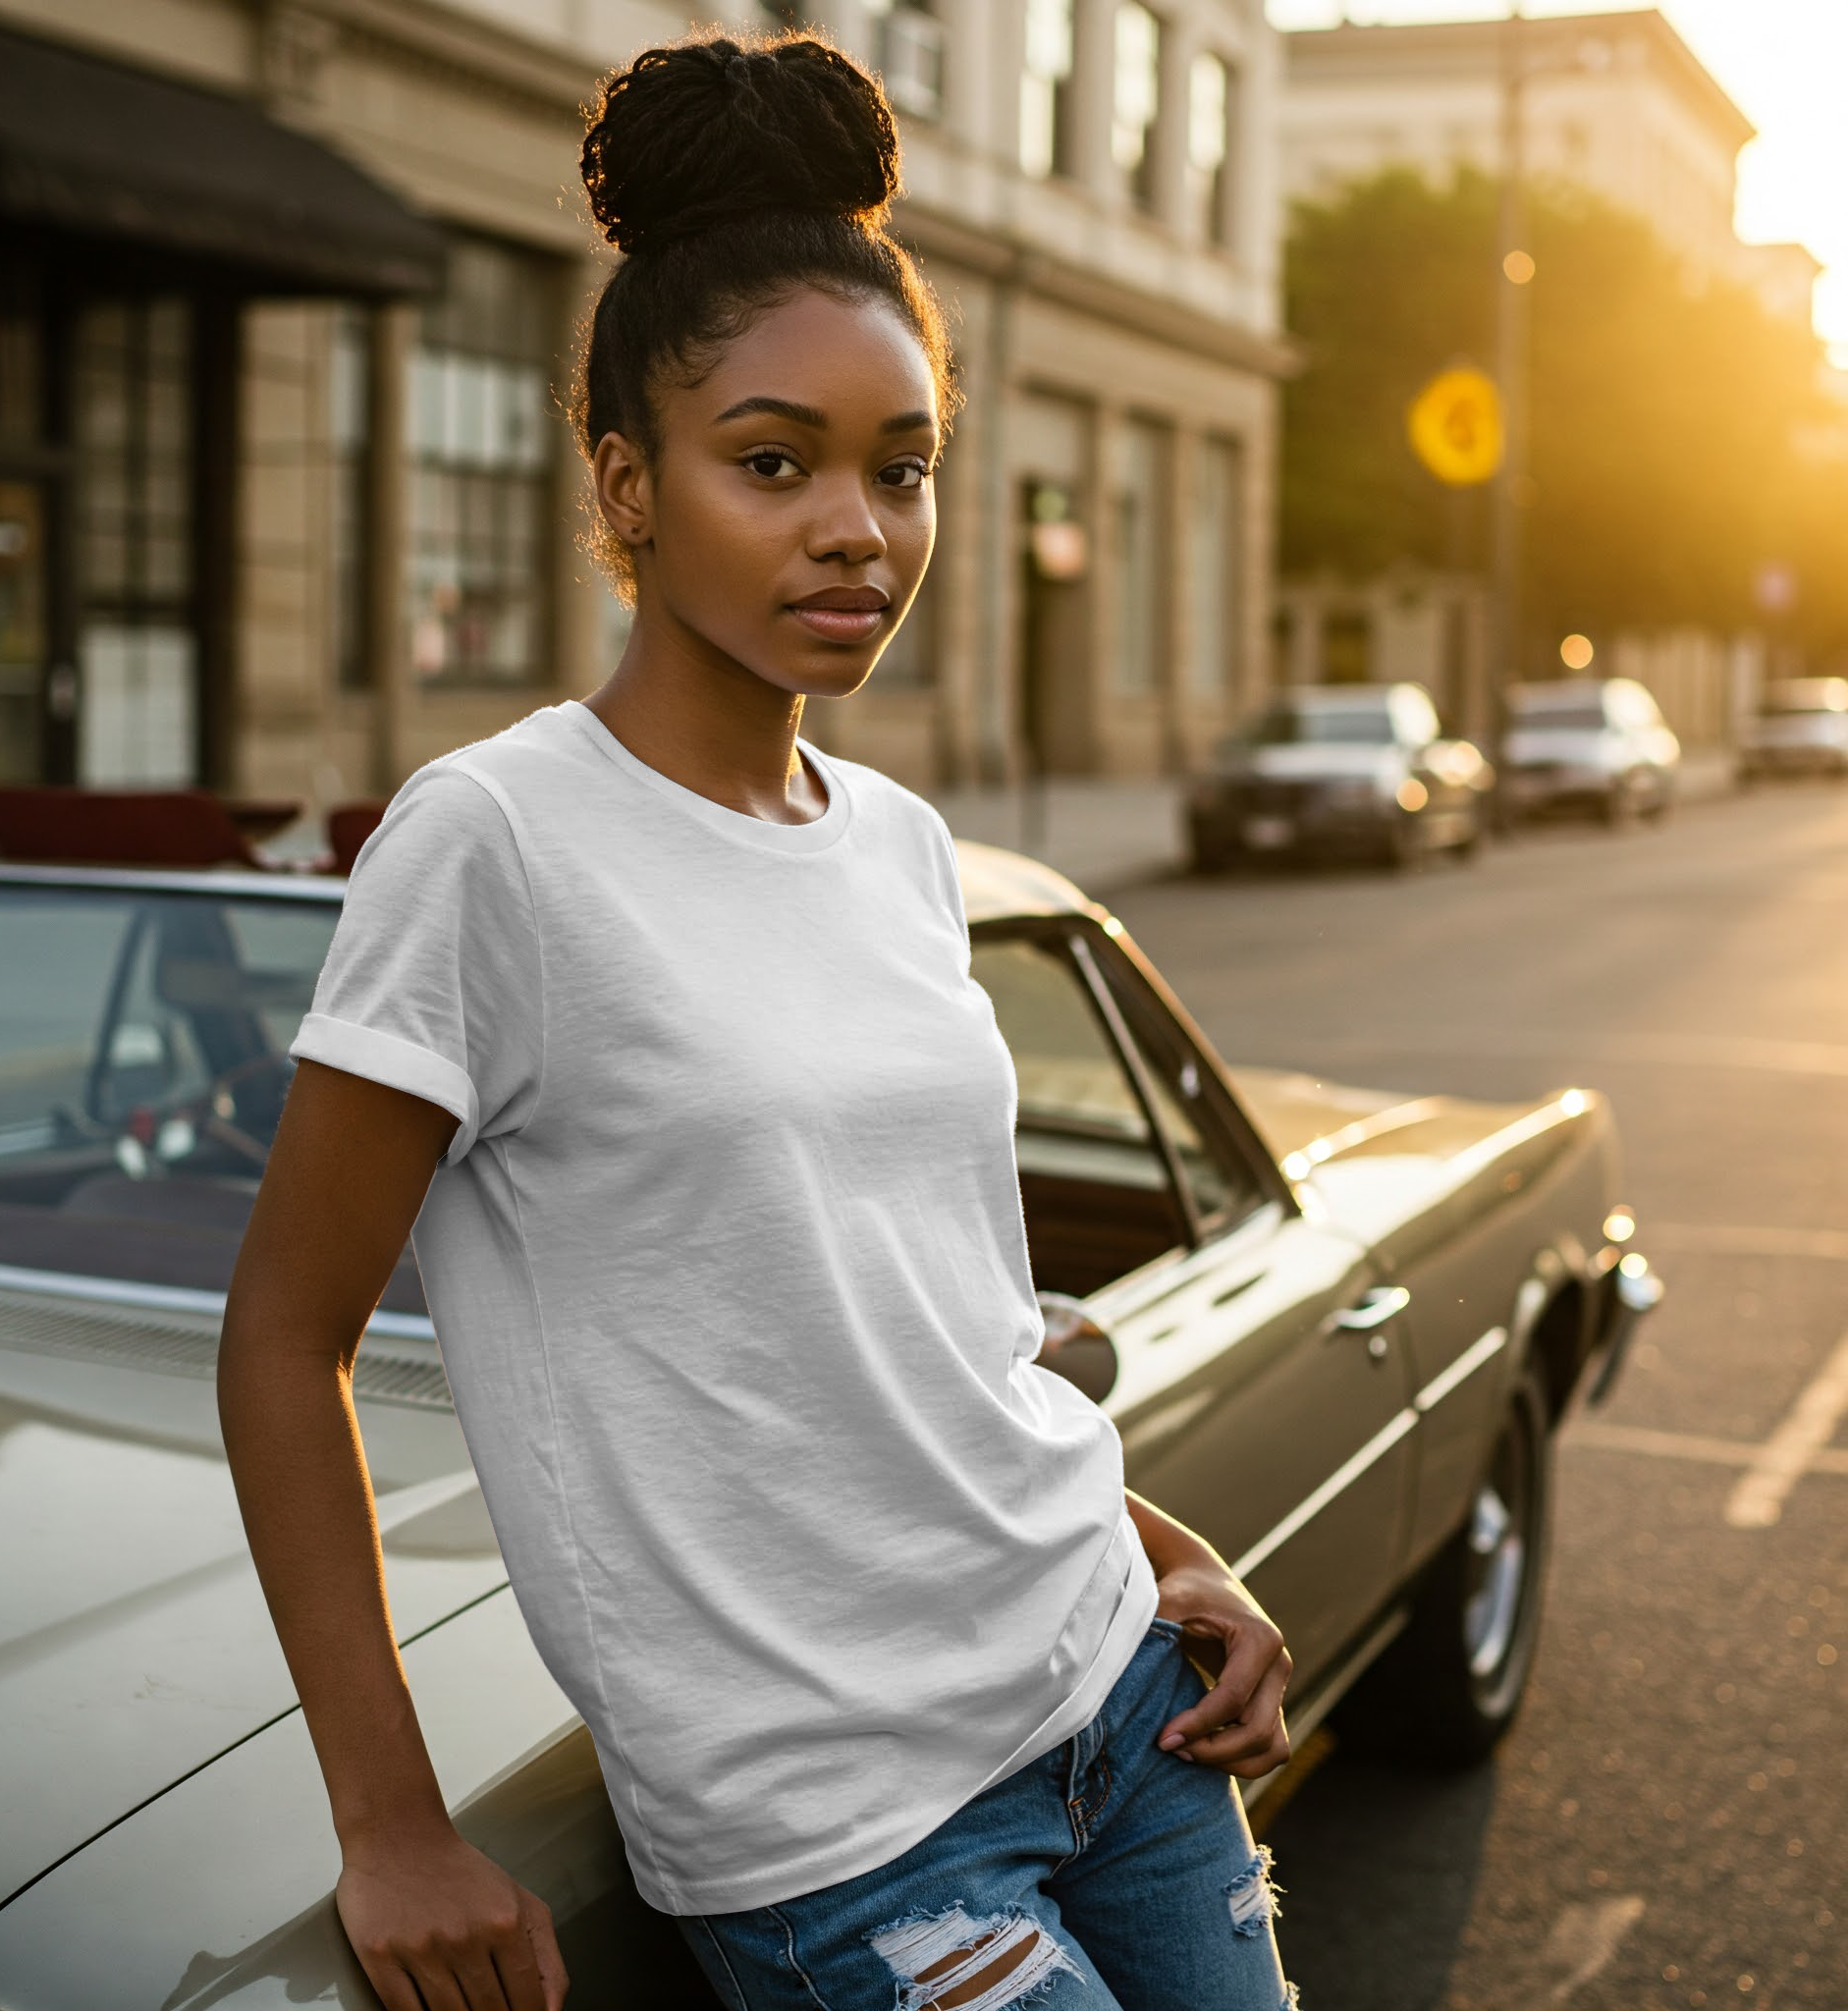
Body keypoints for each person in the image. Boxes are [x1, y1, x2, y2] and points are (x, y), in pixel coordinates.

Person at [220, 31, 1297, 2011]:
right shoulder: (492, 844)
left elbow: (945, 1329)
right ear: (627, 483)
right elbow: (284, 1344)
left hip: (1122, 1703)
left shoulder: (899, 843)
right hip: (853, 1834)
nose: (858, 528)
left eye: (903, 467)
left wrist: (1164, 1553)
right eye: (774, 460)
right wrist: (391, 1822)